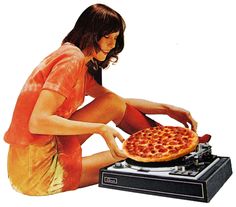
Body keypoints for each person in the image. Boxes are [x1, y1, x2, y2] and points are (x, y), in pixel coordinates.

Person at [4, 3, 200, 196]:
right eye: (108, 37)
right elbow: (38, 122)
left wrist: (166, 108)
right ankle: (171, 152)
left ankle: (173, 144)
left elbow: (116, 103)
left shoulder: (78, 62)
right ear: (90, 33)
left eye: (115, 38)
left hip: (46, 146)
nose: (113, 44)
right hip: (35, 171)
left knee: (112, 102)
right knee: (130, 157)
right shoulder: (71, 59)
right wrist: (99, 128)